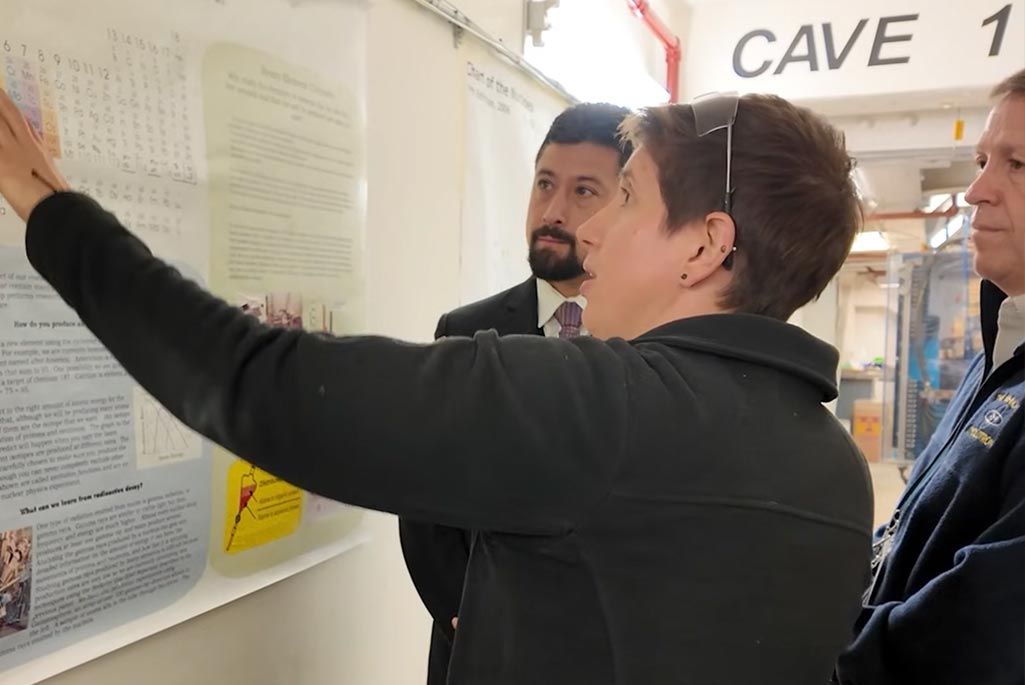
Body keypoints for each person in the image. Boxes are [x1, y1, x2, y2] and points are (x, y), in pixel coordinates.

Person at [0, 88, 873, 683]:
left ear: (702, 245)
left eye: (625, 197)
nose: (590, 231)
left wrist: (42, 199)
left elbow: (256, 381)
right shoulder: (834, 469)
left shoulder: (604, 411)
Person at [398, 102, 632, 685]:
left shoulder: (648, 344)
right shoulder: (466, 333)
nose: (552, 212)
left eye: (584, 192)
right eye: (545, 184)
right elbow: (424, 501)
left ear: (624, 207)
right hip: (475, 651)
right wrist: (467, 618)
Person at [836, 69, 1025, 684]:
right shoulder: (1002, 353)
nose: (976, 191)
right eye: (981, 160)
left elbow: (986, 630)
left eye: (1017, 164)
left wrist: (823, 650)